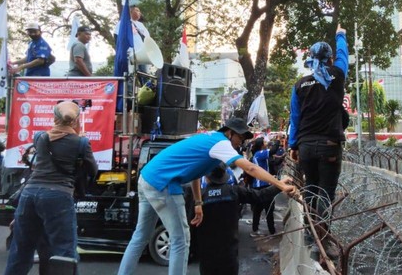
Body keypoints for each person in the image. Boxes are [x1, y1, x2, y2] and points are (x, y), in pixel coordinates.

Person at [117, 117, 295, 275]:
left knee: (140, 237)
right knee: (181, 240)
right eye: (240, 138)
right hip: (163, 184)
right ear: (230, 133)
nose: (240, 143)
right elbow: (250, 168)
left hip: (146, 178)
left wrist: (198, 203)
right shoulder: (221, 144)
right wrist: (280, 184)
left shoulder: (208, 141)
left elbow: (196, 173)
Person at [4, 101, 98, 275]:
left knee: (21, 249)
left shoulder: (40, 137)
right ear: (76, 120)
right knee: (64, 250)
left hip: (30, 195)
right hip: (59, 197)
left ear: (55, 118)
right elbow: (93, 170)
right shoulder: (81, 143)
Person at [288, 24, 348, 239]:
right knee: (325, 194)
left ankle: (308, 232)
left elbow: (295, 119)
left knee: (311, 190)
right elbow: (343, 54)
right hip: (329, 146)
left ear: (311, 60)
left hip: (305, 146)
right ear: (331, 59)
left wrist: (292, 145)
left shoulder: (300, 85)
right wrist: (340, 34)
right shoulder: (338, 75)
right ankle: (321, 238)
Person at [194, 163, 283, 275]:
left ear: (206, 177)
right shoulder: (234, 191)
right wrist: (280, 185)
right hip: (229, 252)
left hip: (207, 254)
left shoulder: (200, 198)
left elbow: (190, 225)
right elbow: (260, 195)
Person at [249, 137, 279, 237]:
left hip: (261, 186)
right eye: (264, 142)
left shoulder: (258, 154)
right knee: (268, 209)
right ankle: (271, 231)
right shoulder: (259, 154)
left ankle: (257, 229)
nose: (266, 143)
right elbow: (273, 150)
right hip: (262, 186)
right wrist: (278, 140)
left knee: (260, 209)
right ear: (261, 145)